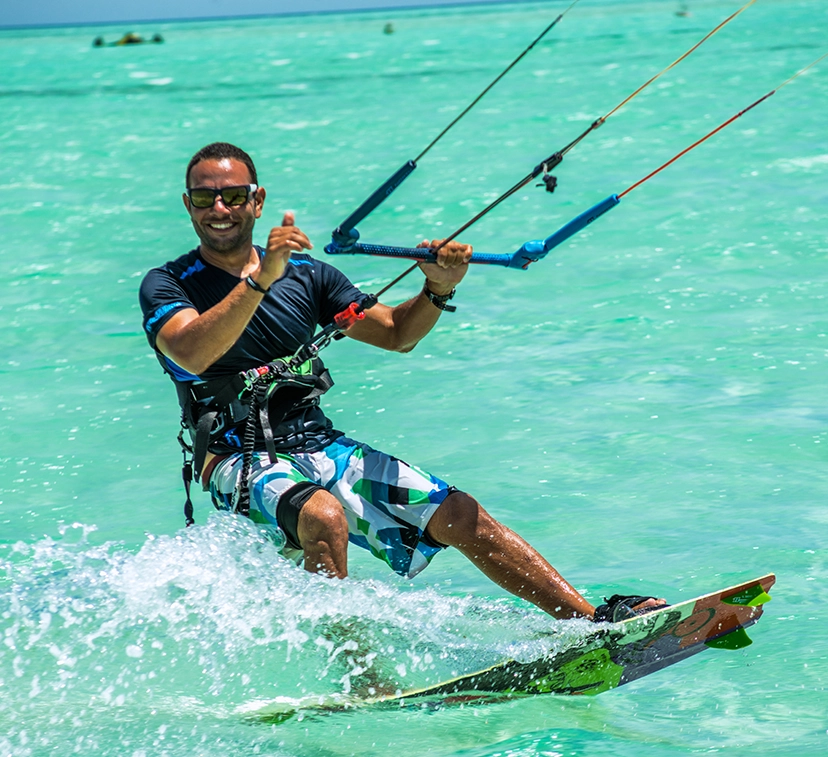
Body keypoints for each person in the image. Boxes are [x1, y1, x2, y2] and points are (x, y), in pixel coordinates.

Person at [139, 142, 664, 623]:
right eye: (204, 197)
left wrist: (435, 288)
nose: (220, 208)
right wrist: (260, 280)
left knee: (459, 513)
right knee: (322, 516)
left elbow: (395, 334)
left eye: (233, 195)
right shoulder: (167, 284)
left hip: (318, 443)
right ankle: (362, 682)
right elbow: (192, 348)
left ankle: (588, 622)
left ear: (257, 200)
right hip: (237, 457)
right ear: (188, 205)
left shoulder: (308, 276)